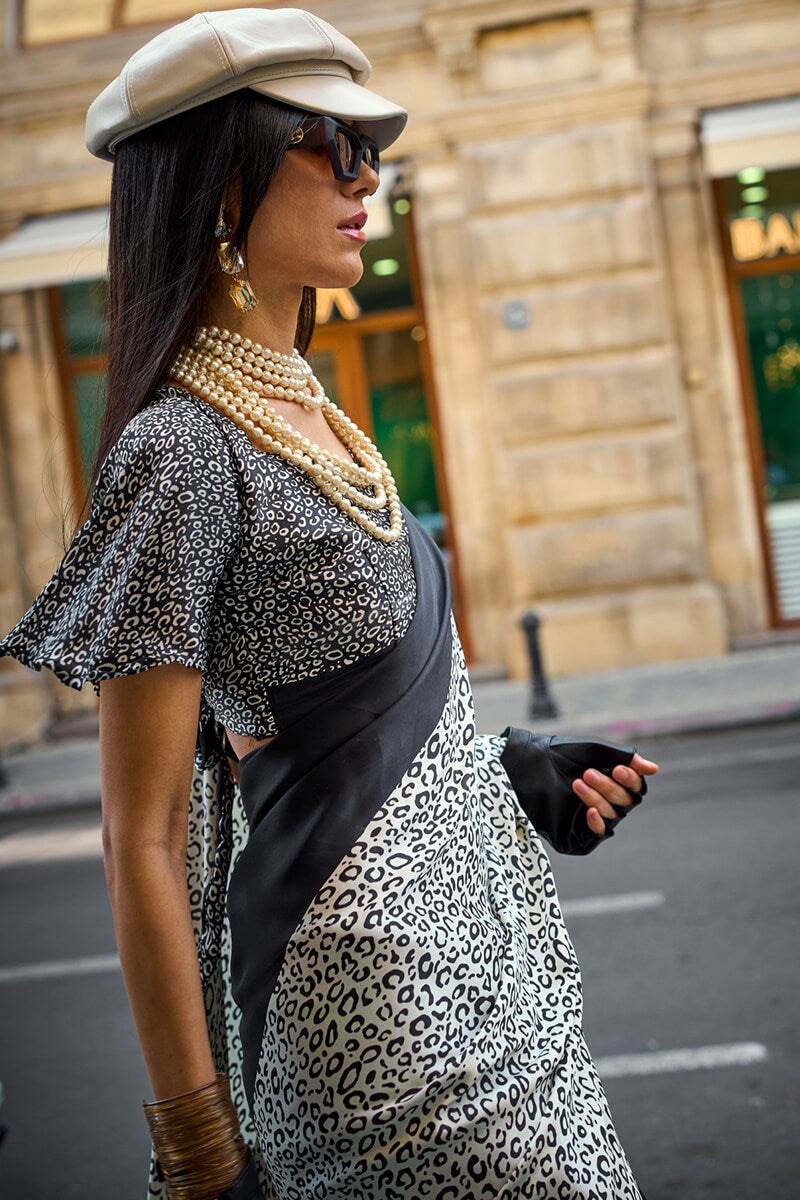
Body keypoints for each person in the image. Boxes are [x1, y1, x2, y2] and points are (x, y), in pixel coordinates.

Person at [0, 9, 659, 1199]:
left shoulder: (314, 409)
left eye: (370, 147)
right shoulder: (184, 450)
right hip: (380, 1029)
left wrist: (517, 776)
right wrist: (203, 1159)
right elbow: (137, 841)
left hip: (495, 975)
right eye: (326, 144)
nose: (366, 175)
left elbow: (330, 720)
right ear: (218, 183)